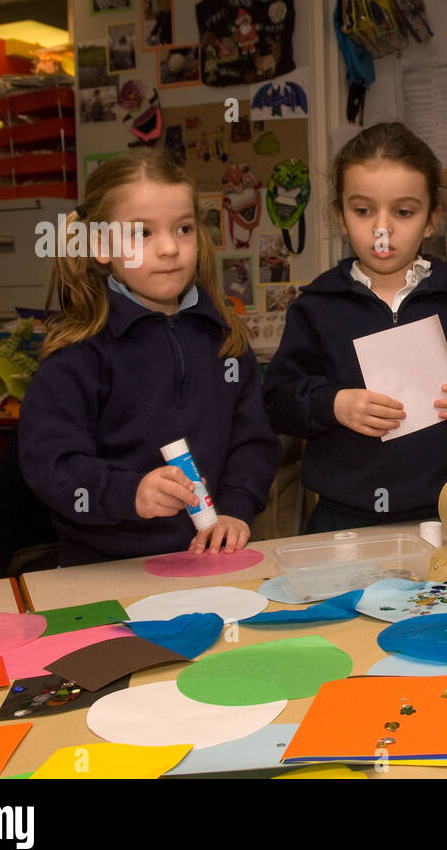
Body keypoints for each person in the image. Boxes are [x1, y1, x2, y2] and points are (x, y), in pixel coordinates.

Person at [19, 151, 279, 566]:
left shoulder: (225, 338)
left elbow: (253, 441)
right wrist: (128, 493)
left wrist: (234, 508)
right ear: (101, 246)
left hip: (211, 559)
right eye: (141, 233)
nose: (169, 248)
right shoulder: (78, 353)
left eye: (184, 229)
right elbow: (52, 464)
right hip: (104, 569)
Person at [263, 122, 447, 532]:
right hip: (342, 518)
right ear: (340, 217)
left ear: (432, 220)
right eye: (363, 211)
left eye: (403, 212)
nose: (382, 229)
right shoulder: (317, 305)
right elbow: (278, 401)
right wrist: (333, 404)